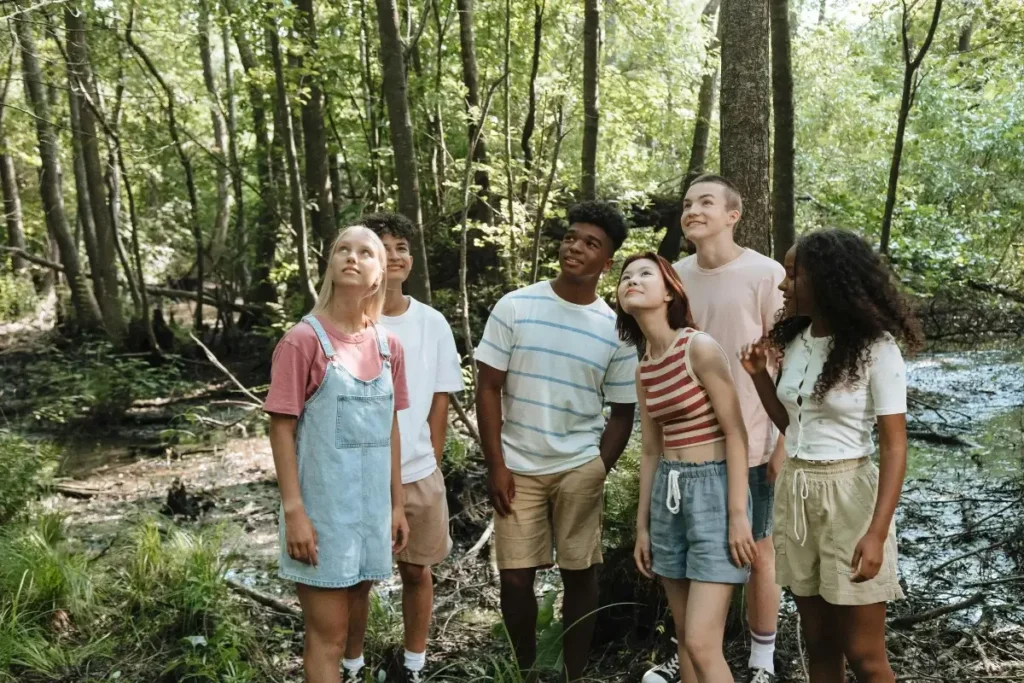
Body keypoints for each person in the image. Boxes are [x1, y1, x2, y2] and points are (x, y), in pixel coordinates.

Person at [740, 230, 921, 683]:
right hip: (796, 493)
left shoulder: (876, 348)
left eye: (793, 274)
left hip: (849, 497)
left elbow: (895, 445)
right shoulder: (797, 341)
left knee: (863, 654)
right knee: (818, 645)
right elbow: (792, 427)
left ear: (827, 279)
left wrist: (877, 533)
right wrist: (761, 378)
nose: (783, 285)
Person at [474, 201, 638, 682]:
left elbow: (623, 413)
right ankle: (524, 670)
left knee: (579, 571)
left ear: (606, 264)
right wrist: (496, 465)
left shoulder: (616, 330)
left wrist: (596, 468)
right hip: (517, 465)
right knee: (516, 575)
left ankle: (575, 674)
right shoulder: (516, 305)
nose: (576, 247)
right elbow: (487, 387)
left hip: (578, 466)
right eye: (572, 237)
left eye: (592, 244)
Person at [644, 175, 787, 683]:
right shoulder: (675, 276)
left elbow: (789, 363)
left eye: (707, 202)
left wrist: (783, 443)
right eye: (687, 203)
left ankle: (762, 658)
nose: (693, 210)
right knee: (695, 557)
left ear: (733, 215)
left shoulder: (765, 274)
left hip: (751, 433)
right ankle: (697, 656)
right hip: (690, 449)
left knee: (757, 547)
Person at [263, 225, 411, 683]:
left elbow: (390, 427)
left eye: (365, 252)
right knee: (326, 636)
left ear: (379, 273)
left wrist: (398, 505)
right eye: (341, 249)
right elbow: (281, 429)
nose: (351, 257)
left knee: (353, 627)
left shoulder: (389, 347)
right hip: (323, 516)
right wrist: (295, 514)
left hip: (372, 515)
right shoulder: (302, 341)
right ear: (330, 265)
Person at [618, 252, 757, 683]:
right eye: (625, 277)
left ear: (669, 292)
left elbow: (736, 433)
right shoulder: (643, 369)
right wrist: (643, 525)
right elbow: (650, 452)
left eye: (645, 274)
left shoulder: (698, 347)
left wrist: (737, 516)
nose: (632, 281)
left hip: (715, 491)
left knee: (700, 642)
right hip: (668, 495)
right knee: (685, 637)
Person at [341, 213, 464, 683]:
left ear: (410, 262)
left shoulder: (431, 323)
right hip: (360, 474)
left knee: (418, 572)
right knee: (359, 578)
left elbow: (439, 400)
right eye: (382, 246)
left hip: (418, 472)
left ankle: (413, 665)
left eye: (402, 247)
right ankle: (352, 666)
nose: (394, 255)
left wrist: (431, 458)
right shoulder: (347, 324)